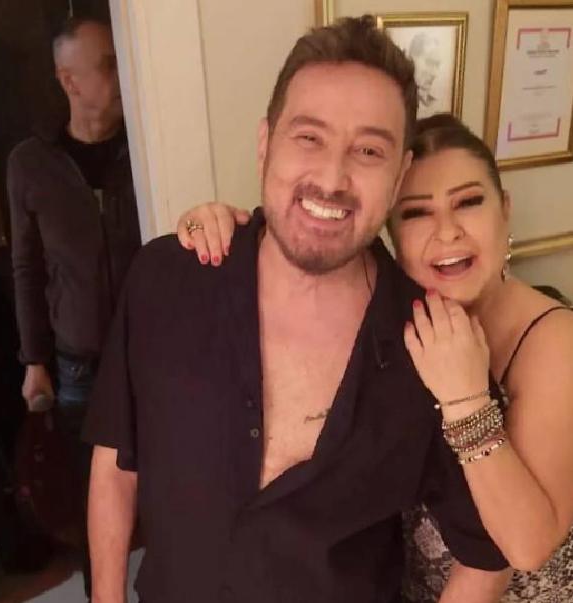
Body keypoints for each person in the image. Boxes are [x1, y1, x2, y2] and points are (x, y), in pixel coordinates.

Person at [84, 16, 509, 603]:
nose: (332, 178)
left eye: (368, 150)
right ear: (266, 144)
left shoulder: (436, 347)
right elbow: (115, 466)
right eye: (309, 137)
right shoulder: (167, 277)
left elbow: (488, 552)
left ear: (398, 177)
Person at [178, 114, 573, 602]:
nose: (447, 232)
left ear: (504, 210)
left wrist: (466, 399)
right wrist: (219, 230)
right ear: (388, 232)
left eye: (468, 202)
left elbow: (527, 546)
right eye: (416, 213)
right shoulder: (389, 315)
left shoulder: (554, 340)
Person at [7, 16, 141, 597]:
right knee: (93, 501)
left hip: (152, 356)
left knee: (171, 486)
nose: (122, 75)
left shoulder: (149, 144)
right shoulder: (30, 164)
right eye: (108, 65)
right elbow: (27, 268)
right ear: (69, 81)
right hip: (77, 365)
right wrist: (34, 361)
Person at [407, 32, 443, 118]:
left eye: (437, 65)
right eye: (430, 63)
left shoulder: (436, 107)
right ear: (411, 58)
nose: (435, 74)